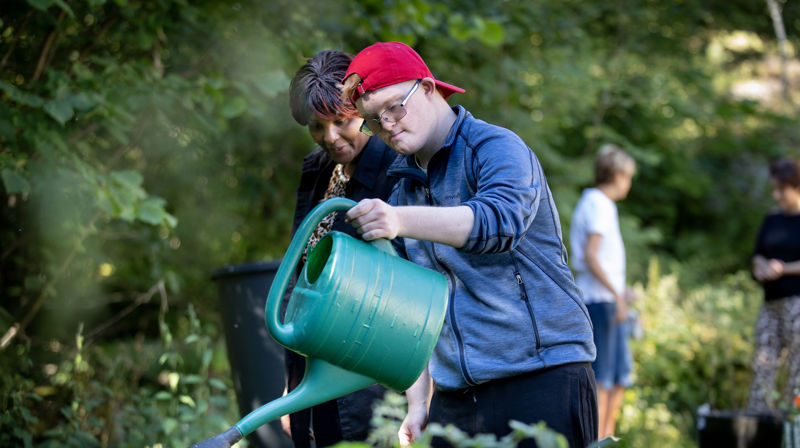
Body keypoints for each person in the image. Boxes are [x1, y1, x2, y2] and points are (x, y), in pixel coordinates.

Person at [340, 42, 597, 448]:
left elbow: (499, 223)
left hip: (541, 375)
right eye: (374, 120)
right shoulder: (404, 188)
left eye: (395, 107)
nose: (387, 124)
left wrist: (399, 221)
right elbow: (417, 310)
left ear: (427, 88)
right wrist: (419, 402)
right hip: (456, 398)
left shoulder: (496, 148)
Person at [280, 49, 399, 447]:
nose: (330, 137)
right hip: (311, 378)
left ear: (364, 110)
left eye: (342, 121)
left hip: (369, 385)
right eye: (316, 126)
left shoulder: (396, 169)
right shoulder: (318, 169)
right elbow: (303, 278)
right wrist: (293, 383)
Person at [569, 144, 636, 439]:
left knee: (620, 376)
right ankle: (596, 440)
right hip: (600, 301)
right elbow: (592, 255)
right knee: (603, 379)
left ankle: (609, 438)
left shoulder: (601, 204)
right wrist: (617, 295)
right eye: (628, 177)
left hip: (609, 298)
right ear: (619, 175)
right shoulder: (598, 204)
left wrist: (622, 291)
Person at [747, 156, 800, 413]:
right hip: (770, 304)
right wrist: (760, 266)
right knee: (762, 366)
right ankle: (757, 427)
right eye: (774, 189)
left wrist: (783, 269)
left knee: (797, 372)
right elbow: (758, 253)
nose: (776, 195)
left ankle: (793, 429)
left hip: (796, 304)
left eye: (781, 190)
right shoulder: (772, 219)